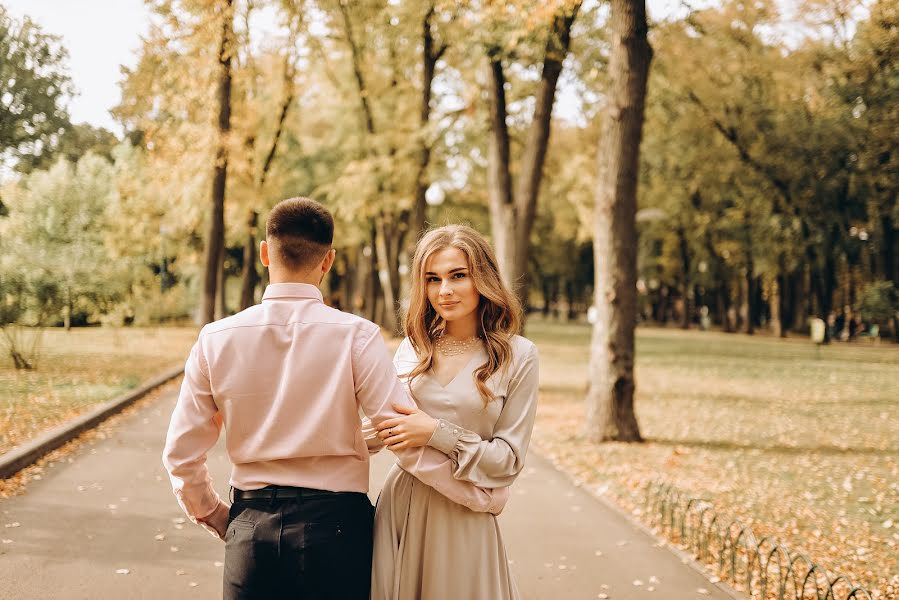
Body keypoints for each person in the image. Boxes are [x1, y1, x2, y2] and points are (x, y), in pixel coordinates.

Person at [162, 198, 506, 600]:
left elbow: (181, 455)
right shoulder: (356, 335)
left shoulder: (215, 339)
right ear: (328, 261)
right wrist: (477, 496)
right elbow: (402, 438)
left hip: (252, 524)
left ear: (263, 253)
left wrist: (219, 516)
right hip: (337, 530)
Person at [370, 225, 539, 600]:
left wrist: (435, 433)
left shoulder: (518, 356)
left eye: (457, 276)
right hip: (404, 506)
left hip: (464, 512)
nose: (444, 290)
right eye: (433, 279)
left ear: (483, 277)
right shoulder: (412, 350)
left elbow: (508, 462)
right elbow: (377, 428)